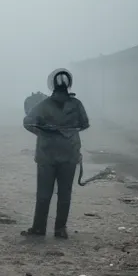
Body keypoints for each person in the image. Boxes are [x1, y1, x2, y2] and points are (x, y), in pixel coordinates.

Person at [21, 68, 90, 239]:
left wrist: (43, 133)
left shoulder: (43, 105)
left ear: (51, 84)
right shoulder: (77, 104)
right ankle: (60, 229)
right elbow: (85, 124)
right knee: (65, 193)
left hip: (47, 155)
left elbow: (28, 122)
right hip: (69, 154)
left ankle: (39, 228)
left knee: (44, 193)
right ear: (69, 84)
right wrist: (69, 132)